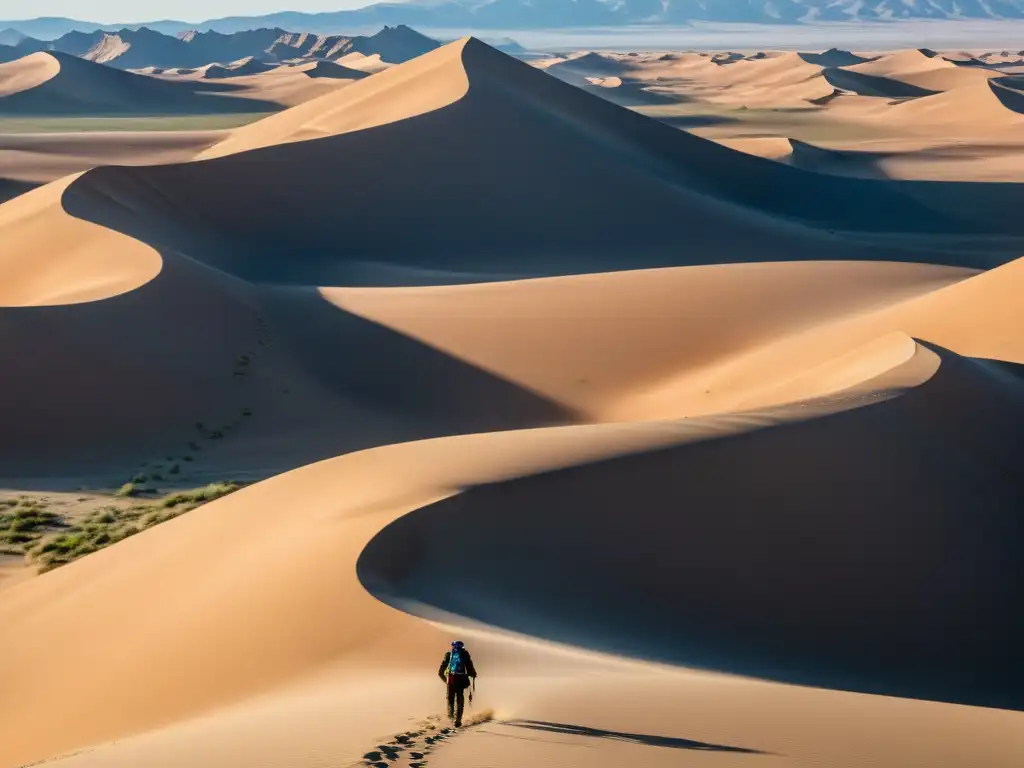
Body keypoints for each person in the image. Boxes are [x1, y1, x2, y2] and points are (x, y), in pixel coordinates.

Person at [438, 640, 477, 727]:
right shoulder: (465, 654)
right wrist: (473, 674)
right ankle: (458, 719)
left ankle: (451, 717)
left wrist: (445, 680)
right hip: (461, 679)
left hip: (451, 679)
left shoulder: (449, 655)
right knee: (460, 699)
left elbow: (441, 669)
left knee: (450, 699)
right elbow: (470, 668)